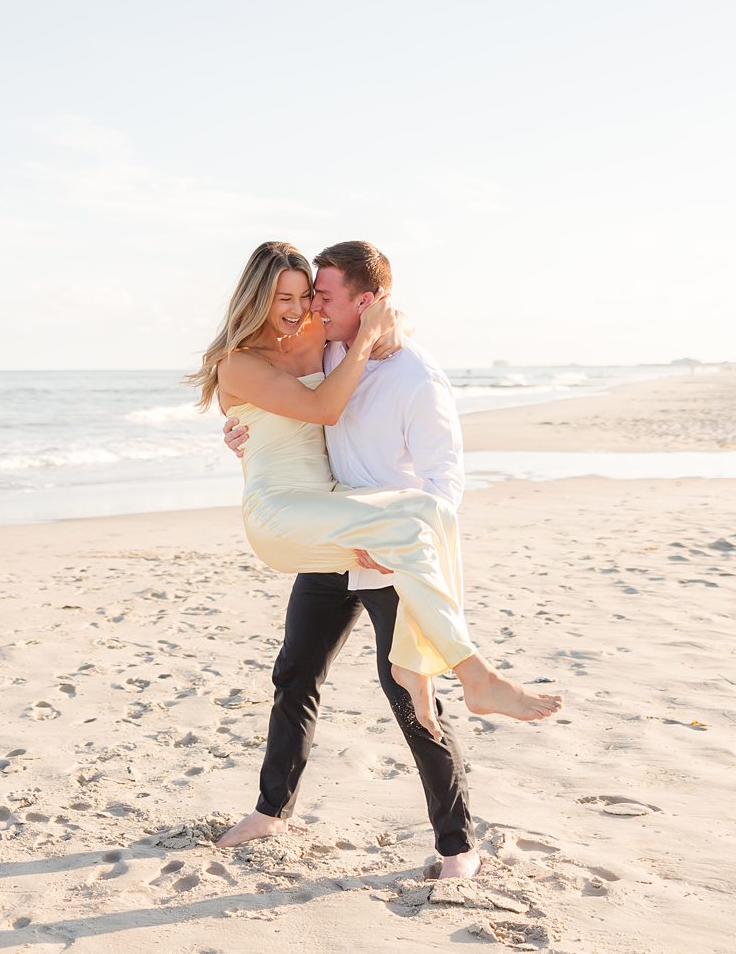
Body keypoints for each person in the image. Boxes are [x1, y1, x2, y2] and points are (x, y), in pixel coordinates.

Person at [185, 240, 561, 877]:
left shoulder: (411, 372)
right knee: (295, 674)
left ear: (364, 303)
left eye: (314, 298)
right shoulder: (325, 347)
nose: (306, 310)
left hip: (384, 546)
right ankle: (272, 810)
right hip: (330, 530)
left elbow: (445, 482)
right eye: (294, 298)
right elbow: (302, 407)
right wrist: (241, 430)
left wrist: (388, 328)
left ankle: (457, 846)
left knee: (409, 691)